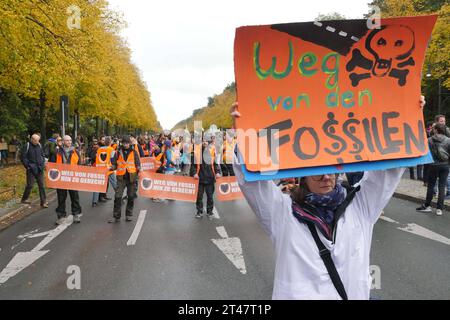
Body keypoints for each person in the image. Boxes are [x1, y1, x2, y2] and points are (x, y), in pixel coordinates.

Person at [229, 96, 424, 300]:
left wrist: (407, 115)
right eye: (317, 172)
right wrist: (247, 130)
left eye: (332, 171)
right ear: (302, 177)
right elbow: (253, 183)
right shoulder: (282, 212)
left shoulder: (360, 206)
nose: (326, 177)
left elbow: (387, 173)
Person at [416, 123, 450, 216]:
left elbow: (425, 152)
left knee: (431, 186)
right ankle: (439, 209)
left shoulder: (429, 140)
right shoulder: (448, 140)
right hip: (445, 165)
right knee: (442, 186)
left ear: (436, 130)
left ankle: (427, 206)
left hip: (433, 165)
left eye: (434, 129)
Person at [109, 135, 140, 223]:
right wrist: (112, 167)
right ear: (122, 143)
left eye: (127, 143)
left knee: (131, 196)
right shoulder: (118, 152)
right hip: (121, 178)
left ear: (130, 143)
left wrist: (139, 169)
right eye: (124, 143)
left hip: (131, 178)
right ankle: (116, 216)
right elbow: (115, 163)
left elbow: (138, 163)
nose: (125, 145)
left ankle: (129, 215)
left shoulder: (134, 152)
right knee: (118, 197)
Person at [52, 135, 82, 224]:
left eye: (70, 140)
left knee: (75, 197)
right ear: (63, 142)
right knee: (61, 198)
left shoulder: (75, 151)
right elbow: (52, 164)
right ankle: (61, 216)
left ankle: (76, 214)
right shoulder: (57, 151)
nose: (69, 142)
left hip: (72, 178)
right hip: (61, 178)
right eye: (67, 140)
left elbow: (79, 165)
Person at [190, 134, 221, 220]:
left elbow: (215, 164)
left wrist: (218, 172)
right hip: (199, 179)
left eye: (206, 141)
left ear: (209, 142)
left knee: (210, 197)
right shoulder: (196, 152)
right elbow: (192, 166)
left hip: (210, 178)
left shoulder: (212, 151)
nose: (204, 142)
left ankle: (209, 212)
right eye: (203, 141)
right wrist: (194, 173)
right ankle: (199, 212)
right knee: (199, 197)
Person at [20, 134, 48, 208]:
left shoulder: (39, 145)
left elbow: (42, 154)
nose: (37, 142)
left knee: (41, 185)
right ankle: (24, 198)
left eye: (38, 140)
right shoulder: (27, 145)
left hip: (39, 168)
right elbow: (23, 157)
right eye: (35, 140)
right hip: (31, 169)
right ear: (32, 139)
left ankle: (43, 202)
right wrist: (27, 166)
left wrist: (43, 163)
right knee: (30, 185)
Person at [92, 136, 116, 206]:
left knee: (97, 186)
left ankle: (94, 202)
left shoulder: (99, 149)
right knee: (115, 184)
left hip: (99, 169)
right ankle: (119, 198)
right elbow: (113, 160)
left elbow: (96, 158)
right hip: (108, 169)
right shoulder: (111, 150)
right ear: (110, 142)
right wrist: (113, 167)